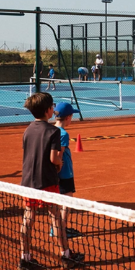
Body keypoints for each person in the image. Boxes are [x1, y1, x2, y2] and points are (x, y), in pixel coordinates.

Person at [19, 93, 84, 270]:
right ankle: (66, 255)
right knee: (56, 218)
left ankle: (25, 258)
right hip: (47, 181)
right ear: (48, 111)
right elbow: (55, 158)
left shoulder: (28, 129)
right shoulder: (53, 132)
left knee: (28, 217)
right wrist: (60, 163)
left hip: (28, 181)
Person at [53, 102, 82, 240]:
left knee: (56, 203)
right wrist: (59, 169)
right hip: (64, 174)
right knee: (67, 202)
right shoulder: (63, 134)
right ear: (68, 117)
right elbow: (59, 156)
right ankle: (62, 230)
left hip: (54, 175)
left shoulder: (51, 130)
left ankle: (56, 228)